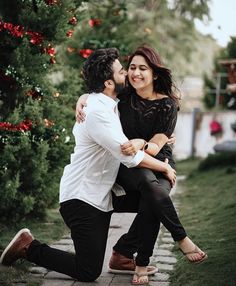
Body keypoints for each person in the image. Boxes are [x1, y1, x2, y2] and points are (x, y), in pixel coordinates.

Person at [0, 48, 176, 283]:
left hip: (101, 195)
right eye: (123, 71)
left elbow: (94, 98)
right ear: (108, 82)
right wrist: (164, 167)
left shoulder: (109, 103)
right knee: (88, 271)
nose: (129, 75)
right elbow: (130, 157)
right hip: (82, 200)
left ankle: (123, 253)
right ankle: (29, 247)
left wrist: (82, 97)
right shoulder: (98, 113)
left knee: (154, 200)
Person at [76, 45, 208, 285]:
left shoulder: (167, 104)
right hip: (129, 165)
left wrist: (141, 143)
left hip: (158, 158)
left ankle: (130, 256)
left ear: (155, 74)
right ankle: (176, 243)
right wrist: (82, 99)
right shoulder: (125, 95)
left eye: (143, 68)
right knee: (150, 187)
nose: (135, 73)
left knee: (153, 196)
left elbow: (157, 146)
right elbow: (98, 93)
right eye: (132, 68)